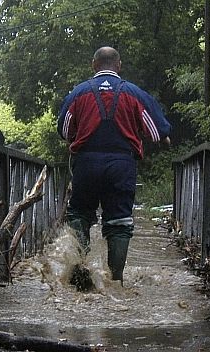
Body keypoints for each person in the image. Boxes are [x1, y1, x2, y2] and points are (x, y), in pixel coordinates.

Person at [57, 46, 171, 285]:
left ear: (94, 65)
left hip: (86, 163)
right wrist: (161, 136)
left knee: (79, 214)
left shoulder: (78, 93)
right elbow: (156, 130)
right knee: (119, 220)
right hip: (121, 164)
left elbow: (65, 131)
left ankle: (82, 271)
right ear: (118, 66)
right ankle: (116, 280)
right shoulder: (134, 93)